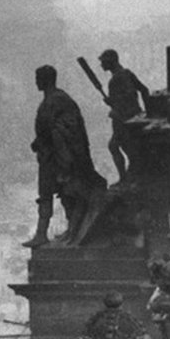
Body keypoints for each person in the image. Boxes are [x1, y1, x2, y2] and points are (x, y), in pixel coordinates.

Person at [25, 65, 107, 248]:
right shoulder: (51, 100)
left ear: (46, 79)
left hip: (60, 156)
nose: (36, 82)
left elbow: (69, 128)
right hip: (49, 155)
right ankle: (42, 234)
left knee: (66, 193)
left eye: (38, 78)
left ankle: (71, 231)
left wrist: (47, 140)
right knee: (47, 194)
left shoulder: (59, 100)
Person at [98, 49, 151, 186]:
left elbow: (129, 95)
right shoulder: (126, 73)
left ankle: (125, 178)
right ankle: (128, 176)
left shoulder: (117, 79)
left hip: (124, 120)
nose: (101, 64)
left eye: (103, 61)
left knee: (117, 146)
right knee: (123, 147)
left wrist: (113, 103)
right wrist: (147, 112)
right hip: (131, 117)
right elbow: (143, 90)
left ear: (111, 60)